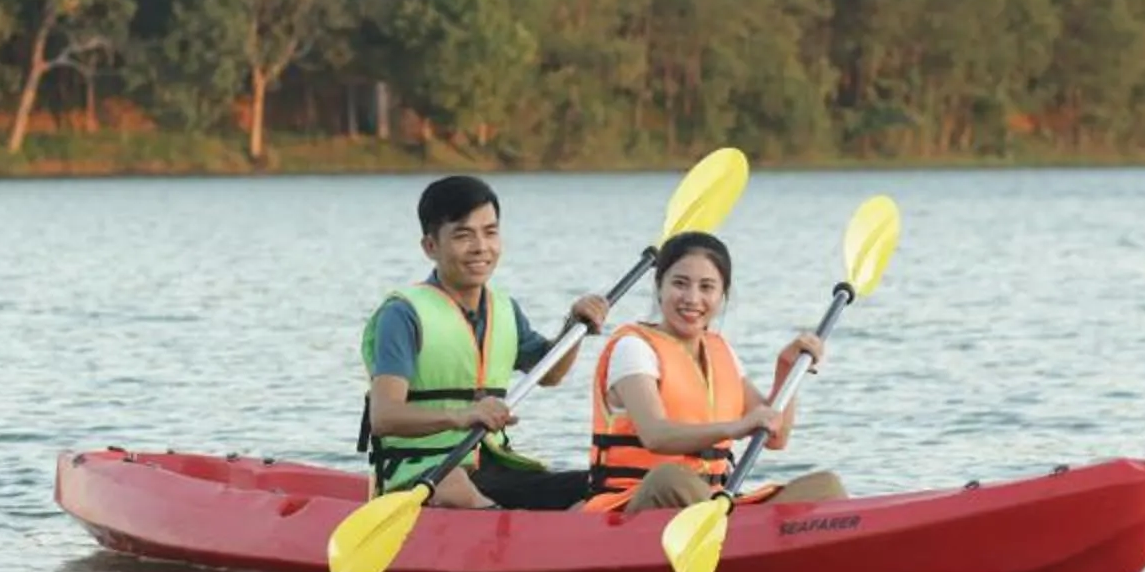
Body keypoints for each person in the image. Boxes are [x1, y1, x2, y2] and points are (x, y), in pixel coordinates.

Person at [361, 175, 612, 509]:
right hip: (424, 475)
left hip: (492, 468)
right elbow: (384, 416)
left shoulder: (503, 309)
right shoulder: (402, 315)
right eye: (464, 235)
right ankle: (509, 531)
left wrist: (574, 326)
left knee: (597, 484)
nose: (481, 247)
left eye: (490, 232)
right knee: (453, 484)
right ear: (431, 247)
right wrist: (462, 415)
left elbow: (549, 374)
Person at [586, 229, 846, 512]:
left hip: (715, 503)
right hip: (633, 503)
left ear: (722, 295)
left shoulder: (722, 352)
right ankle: (738, 538)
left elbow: (776, 436)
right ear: (659, 286)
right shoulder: (633, 348)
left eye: (707, 287)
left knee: (826, 487)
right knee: (669, 478)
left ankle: (741, 539)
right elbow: (655, 435)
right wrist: (734, 428)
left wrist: (787, 370)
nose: (692, 298)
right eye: (680, 284)